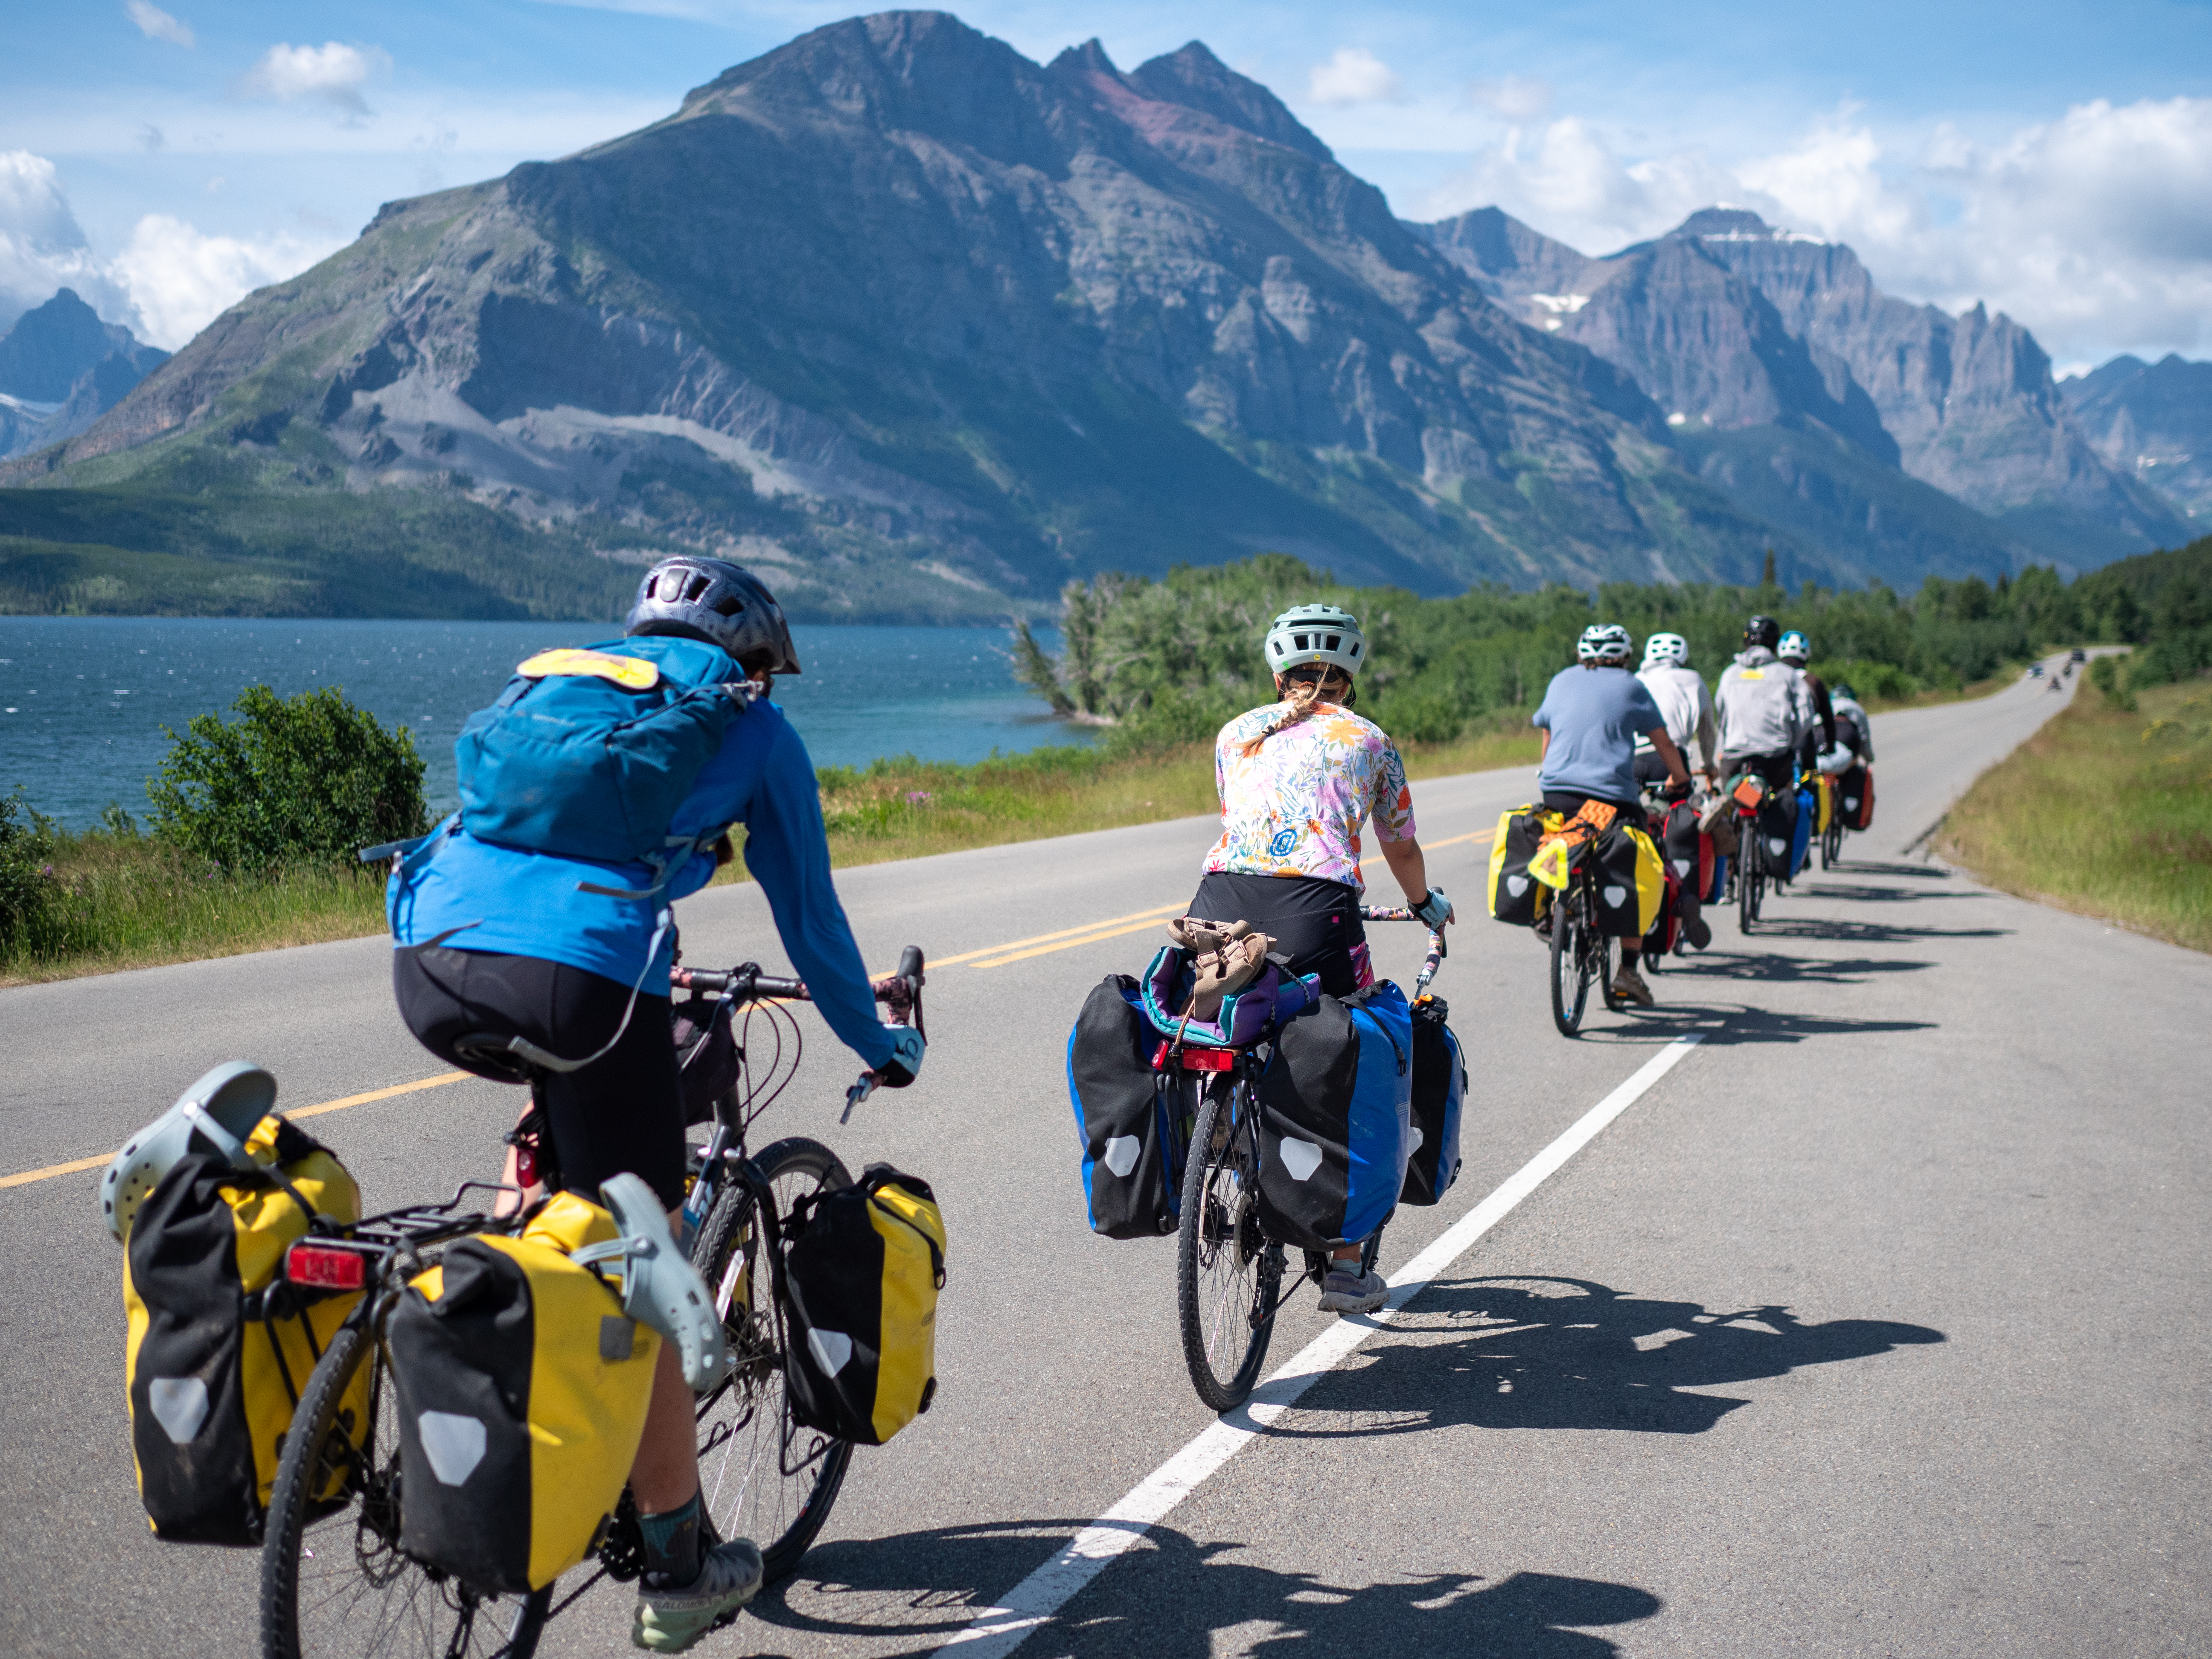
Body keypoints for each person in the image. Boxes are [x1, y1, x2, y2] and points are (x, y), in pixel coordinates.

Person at [383, 556, 922, 1653]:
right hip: (575, 975)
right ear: (754, 660)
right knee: (651, 1261)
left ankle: (502, 1300)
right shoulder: (750, 725)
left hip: (429, 955)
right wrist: (885, 1044)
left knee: (563, 1153)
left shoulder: (562, 684)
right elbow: (814, 924)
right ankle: (677, 1562)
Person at [1190, 602, 1453, 1318]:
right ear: (1350, 674)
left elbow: (1239, 819)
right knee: (1363, 1042)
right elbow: (1399, 845)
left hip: (1220, 903)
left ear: (1278, 674)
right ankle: (1344, 1265)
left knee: (1228, 1020)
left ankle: (1216, 1134)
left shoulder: (1236, 731)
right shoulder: (1368, 739)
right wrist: (1425, 903)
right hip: (1316, 911)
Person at [1531, 623, 1692, 1007]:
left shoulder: (1561, 680)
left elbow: (1548, 735)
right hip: (1611, 799)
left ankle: (1551, 908)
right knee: (1638, 861)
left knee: (1562, 836)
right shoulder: (1631, 685)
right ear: (1625, 656)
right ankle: (1629, 971)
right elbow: (1662, 741)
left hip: (1557, 792)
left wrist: (1550, 776)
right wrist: (1681, 779)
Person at [1632, 632, 1717, 950]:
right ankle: (1685, 898)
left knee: (1633, 817)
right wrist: (1708, 764)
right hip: (1670, 759)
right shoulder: (1693, 679)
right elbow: (1707, 729)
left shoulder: (1636, 679)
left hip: (1632, 759)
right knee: (1682, 819)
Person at [1776, 630, 1837, 777]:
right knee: (1811, 780)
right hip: (1805, 743)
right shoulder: (1813, 681)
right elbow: (1828, 719)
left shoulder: (1773, 678)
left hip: (1774, 742)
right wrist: (1831, 746)